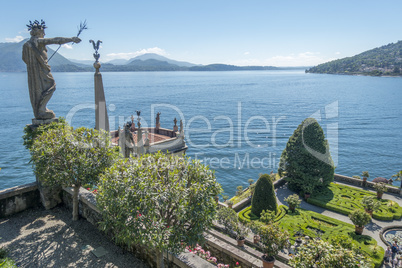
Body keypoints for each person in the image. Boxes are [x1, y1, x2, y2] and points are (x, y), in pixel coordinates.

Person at [22, 20, 81, 120]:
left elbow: (25, 59)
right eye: (42, 32)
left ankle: (41, 109)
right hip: (42, 70)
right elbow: (56, 40)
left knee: (40, 89)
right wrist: (71, 39)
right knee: (52, 86)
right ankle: (41, 109)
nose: (44, 34)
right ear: (38, 32)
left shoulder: (27, 45)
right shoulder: (38, 41)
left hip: (36, 71)